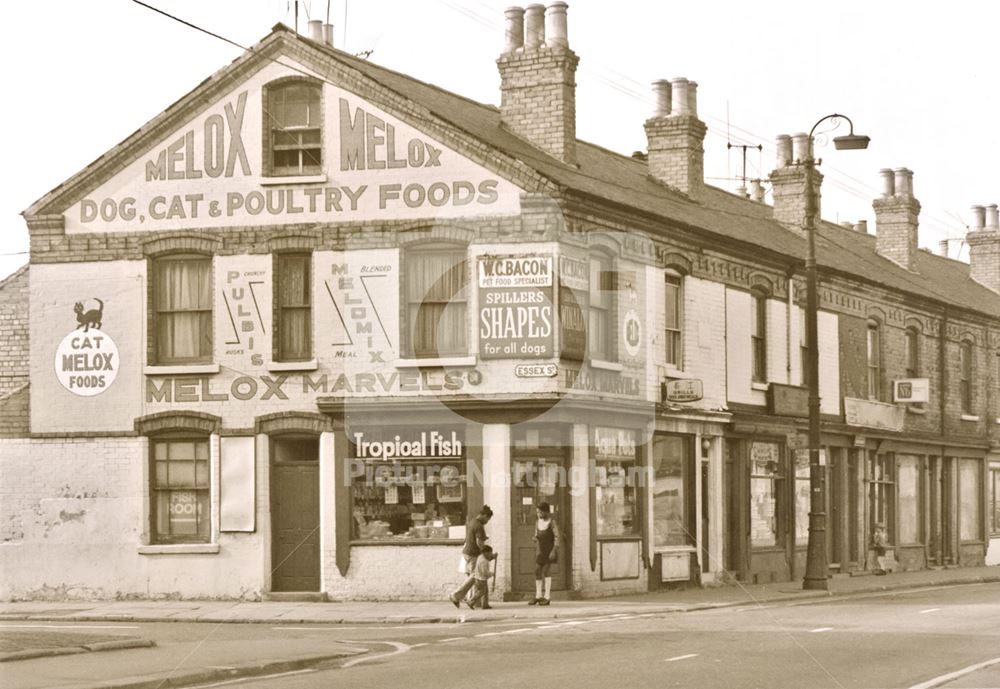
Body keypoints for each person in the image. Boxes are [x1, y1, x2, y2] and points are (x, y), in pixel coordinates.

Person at [449, 504, 493, 607]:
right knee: (476, 576)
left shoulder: (472, 522)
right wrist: (484, 553)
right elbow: (479, 542)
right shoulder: (479, 525)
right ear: (484, 515)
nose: (487, 521)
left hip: (467, 552)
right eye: (488, 519)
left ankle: (476, 602)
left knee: (475, 577)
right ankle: (456, 595)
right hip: (473, 554)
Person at [528, 501, 561, 606]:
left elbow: (557, 537)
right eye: (538, 512)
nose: (539, 514)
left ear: (546, 512)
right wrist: (535, 538)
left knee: (546, 570)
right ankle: (538, 595)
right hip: (541, 550)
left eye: (541, 512)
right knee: (537, 570)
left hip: (549, 550)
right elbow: (536, 534)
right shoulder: (538, 522)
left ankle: (547, 597)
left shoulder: (552, 522)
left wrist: (554, 550)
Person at [468, 545, 498, 609]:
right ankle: (470, 601)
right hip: (481, 579)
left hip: (479, 577)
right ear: (486, 553)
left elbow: (489, 558)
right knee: (481, 592)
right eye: (490, 553)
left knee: (485, 592)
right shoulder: (483, 561)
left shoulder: (481, 557)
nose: (490, 554)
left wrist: (493, 556)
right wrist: (492, 574)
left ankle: (485, 605)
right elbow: (485, 572)